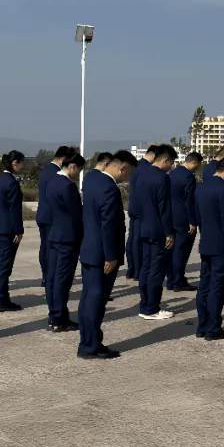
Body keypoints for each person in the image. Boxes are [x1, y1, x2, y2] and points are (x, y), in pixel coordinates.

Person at [78, 150, 137, 359]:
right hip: (102, 254)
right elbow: (109, 225)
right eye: (128, 173)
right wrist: (112, 255)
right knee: (96, 300)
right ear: (122, 168)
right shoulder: (109, 189)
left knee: (88, 298)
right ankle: (90, 346)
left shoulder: (92, 179)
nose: (126, 178)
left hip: (89, 250)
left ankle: (88, 340)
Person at [194, 157, 224, 341]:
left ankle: (202, 326)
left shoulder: (200, 187)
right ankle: (213, 328)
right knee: (217, 287)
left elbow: (197, 216)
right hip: (221, 244)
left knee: (204, 285)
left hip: (206, 242)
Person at [135, 144, 177, 320]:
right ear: (165, 160)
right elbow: (164, 208)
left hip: (144, 227)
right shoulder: (162, 178)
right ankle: (151, 308)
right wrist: (169, 232)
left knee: (146, 268)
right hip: (159, 229)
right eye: (171, 163)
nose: (171, 167)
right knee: (156, 270)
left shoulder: (142, 175)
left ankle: (144, 303)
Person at [45, 153, 86, 331]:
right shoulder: (67, 186)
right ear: (73, 166)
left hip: (55, 234)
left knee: (53, 278)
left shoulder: (52, 181)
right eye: (79, 170)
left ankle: (54, 315)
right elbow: (76, 213)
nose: (78, 174)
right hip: (68, 237)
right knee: (63, 280)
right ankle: (59, 318)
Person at [36, 146, 77, 290]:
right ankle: (49, 277)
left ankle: (47, 276)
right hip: (52, 217)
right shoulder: (55, 173)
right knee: (49, 251)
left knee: (45, 248)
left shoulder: (46, 170)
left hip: (44, 215)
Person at [0, 150, 26, 312]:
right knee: (5, 265)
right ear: (15, 163)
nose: (23, 166)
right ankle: (1, 299)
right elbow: (14, 209)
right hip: (8, 229)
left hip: (0, 226)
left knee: (1, 264)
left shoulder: (1, 180)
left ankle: (1, 296)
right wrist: (19, 230)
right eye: (21, 163)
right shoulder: (11, 182)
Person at [166, 152, 202, 292]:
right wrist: (192, 221)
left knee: (172, 251)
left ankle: (171, 279)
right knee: (181, 252)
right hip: (184, 219)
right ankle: (178, 281)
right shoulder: (188, 178)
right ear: (194, 162)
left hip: (171, 217)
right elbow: (189, 201)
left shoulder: (172, 174)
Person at [126, 145, 157, 279]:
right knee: (138, 241)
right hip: (141, 209)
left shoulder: (137, 166)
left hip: (133, 207)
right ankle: (138, 270)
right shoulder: (147, 169)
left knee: (132, 239)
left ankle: (132, 268)